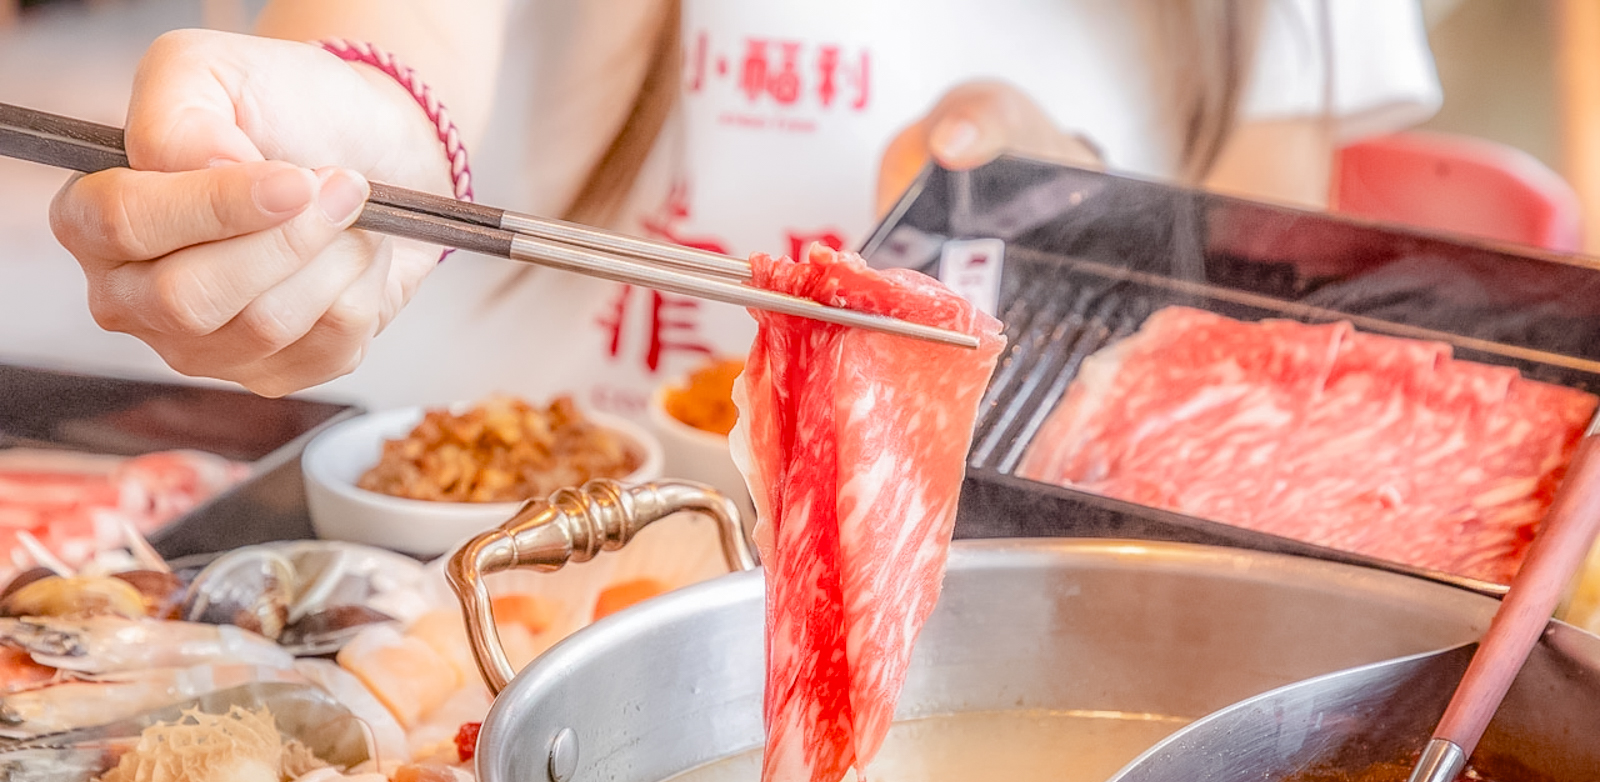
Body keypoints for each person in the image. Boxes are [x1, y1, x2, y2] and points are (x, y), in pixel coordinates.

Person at [44, 0, 1441, 414]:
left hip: (1006, 659)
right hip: (523, 637)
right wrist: (364, 125)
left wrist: (1070, 222)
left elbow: (1254, 359)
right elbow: (390, 55)